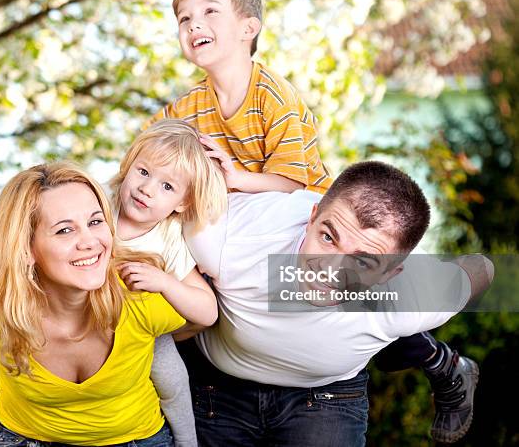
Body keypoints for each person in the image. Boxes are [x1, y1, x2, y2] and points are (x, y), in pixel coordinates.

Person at [0, 122, 227, 447]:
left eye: (167, 187)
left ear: (182, 203)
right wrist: (2, 299)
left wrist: (165, 284)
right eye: (143, 172)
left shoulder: (166, 244)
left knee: (172, 378)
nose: (148, 189)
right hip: (39, 317)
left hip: (144, 329)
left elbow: (206, 312)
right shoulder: (98, 204)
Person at [178, 161, 493, 446]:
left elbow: (484, 269)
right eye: (328, 238)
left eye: (364, 262)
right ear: (312, 217)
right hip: (219, 385)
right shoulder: (231, 232)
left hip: (327, 394)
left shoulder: (412, 293)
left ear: (390, 273)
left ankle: (447, 365)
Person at [151, 0, 332, 194]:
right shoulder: (186, 107)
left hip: (302, 208)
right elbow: (144, 148)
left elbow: (290, 183)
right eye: (184, 18)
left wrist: (234, 178)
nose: (193, 24)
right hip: (239, 210)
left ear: (248, 29)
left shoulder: (272, 95)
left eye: (210, 11)